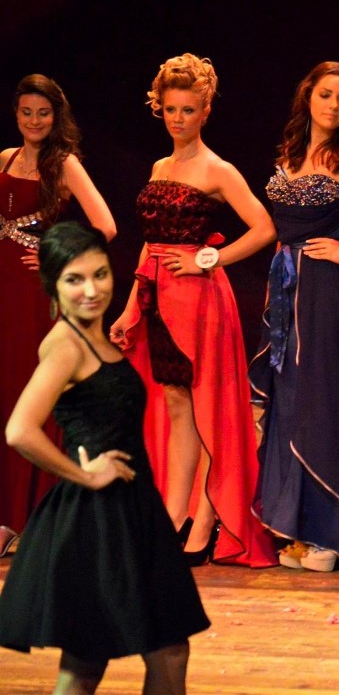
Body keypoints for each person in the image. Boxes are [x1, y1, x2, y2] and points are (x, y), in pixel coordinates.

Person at [0, 222, 209, 695]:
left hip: (132, 509)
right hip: (97, 520)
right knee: (96, 662)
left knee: (155, 652)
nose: (92, 290)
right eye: (74, 280)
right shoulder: (65, 345)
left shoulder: (93, 336)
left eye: (100, 275)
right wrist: (86, 476)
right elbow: (19, 430)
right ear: (53, 284)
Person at [110, 53, 277, 567]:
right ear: (159, 108)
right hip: (159, 299)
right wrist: (129, 307)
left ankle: (205, 520)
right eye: (170, 109)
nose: (178, 118)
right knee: (177, 404)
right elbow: (150, 244)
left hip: (200, 301)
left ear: (205, 111)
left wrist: (210, 258)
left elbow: (264, 228)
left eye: (188, 109)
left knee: (205, 407)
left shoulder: (217, 169)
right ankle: (174, 514)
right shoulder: (161, 167)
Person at [249, 61, 339, 572]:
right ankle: (301, 527)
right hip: (286, 287)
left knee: (325, 399)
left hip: (330, 291)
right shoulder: (289, 154)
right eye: (326, 94)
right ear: (309, 96)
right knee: (291, 398)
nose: (333, 105)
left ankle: (334, 533)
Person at [1, 75, 116, 550]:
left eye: (43, 113)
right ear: (16, 113)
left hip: (36, 293)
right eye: (26, 112)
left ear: (56, 116)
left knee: (36, 393)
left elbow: (105, 226)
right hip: (3, 288)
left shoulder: (64, 163)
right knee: (6, 392)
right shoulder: (5, 159)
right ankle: (7, 516)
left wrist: (60, 257)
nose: (34, 121)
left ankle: (38, 516)